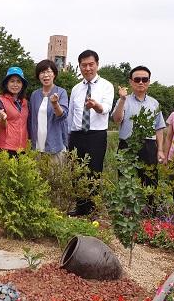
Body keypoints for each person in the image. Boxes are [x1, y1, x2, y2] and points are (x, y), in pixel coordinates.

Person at [67, 49, 114, 216]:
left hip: (96, 135)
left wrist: (96, 106)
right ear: (79, 66)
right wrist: (68, 135)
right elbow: (71, 114)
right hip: (76, 134)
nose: (87, 68)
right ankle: (80, 207)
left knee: (94, 171)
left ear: (97, 65)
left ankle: (92, 208)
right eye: (84, 65)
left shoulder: (106, 86)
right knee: (77, 171)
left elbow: (106, 108)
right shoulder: (76, 88)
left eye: (91, 64)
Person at [112, 66, 166, 187]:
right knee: (125, 182)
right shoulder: (123, 100)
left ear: (149, 82)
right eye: (137, 79)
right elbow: (116, 120)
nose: (141, 82)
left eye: (144, 79)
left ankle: (150, 201)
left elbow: (159, 128)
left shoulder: (154, 103)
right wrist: (122, 99)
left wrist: (160, 150)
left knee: (150, 182)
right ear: (131, 82)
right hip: (127, 145)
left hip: (149, 146)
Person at [28, 59, 69, 163]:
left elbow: (62, 115)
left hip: (55, 147)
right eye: (42, 72)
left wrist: (55, 104)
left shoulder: (61, 92)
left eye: (48, 72)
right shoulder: (35, 95)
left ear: (54, 74)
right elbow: (31, 119)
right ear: (38, 76)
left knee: (55, 173)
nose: (45, 75)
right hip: (37, 148)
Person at [0, 66, 29, 155]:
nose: (15, 85)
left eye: (18, 81)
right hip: (6, 148)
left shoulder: (25, 102)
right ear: (7, 83)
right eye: (12, 81)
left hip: (22, 147)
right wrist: (3, 118)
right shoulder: (0, 100)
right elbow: (2, 124)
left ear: (22, 85)